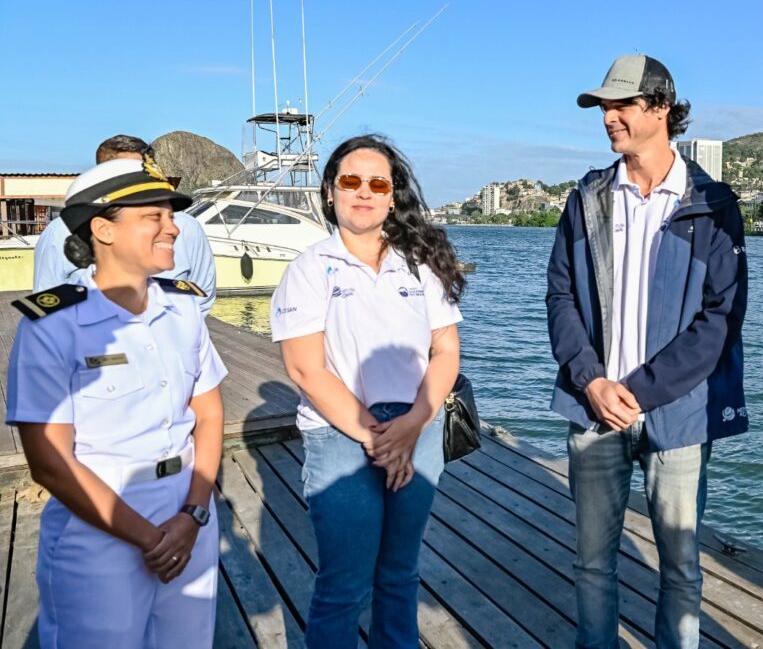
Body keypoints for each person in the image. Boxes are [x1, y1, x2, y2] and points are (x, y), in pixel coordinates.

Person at [547, 54, 749, 648]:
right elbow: (559, 294)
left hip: (679, 415)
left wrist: (637, 391)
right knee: (590, 563)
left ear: (661, 108)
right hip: (593, 409)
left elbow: (722, 318)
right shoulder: (585, 197)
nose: (608, 117)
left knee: (682, 567)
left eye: (622, 104)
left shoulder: (715, 205)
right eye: (604, 106)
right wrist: (590, 380)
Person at [6, 156, 226, 648]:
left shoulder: (183, 307)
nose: (173, 227)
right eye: (155, 216)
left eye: (172, 215)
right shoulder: (52, 325)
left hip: (188, 513)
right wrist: (151, 539)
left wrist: (192, 515)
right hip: (99, 525)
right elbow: (51, 463)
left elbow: (208, 413)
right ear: (103, 229)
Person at [270, 134, 464, 647]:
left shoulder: (419, 263)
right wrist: (380, 439)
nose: (364, 192)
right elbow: (306, 369)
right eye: (350, 181)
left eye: (377, 182)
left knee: (400, 573)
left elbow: (446, 351)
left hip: (418, 429)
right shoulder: (309, 269)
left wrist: (415, 423)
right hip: (342, 437)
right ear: (330, 192)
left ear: (393, 194)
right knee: (344, 583)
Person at [34, 134, 217, 316]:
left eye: (142, 172)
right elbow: (47, 299)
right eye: (122, 173)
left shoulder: (188, 228)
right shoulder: (61, 231)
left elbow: (201, 298)